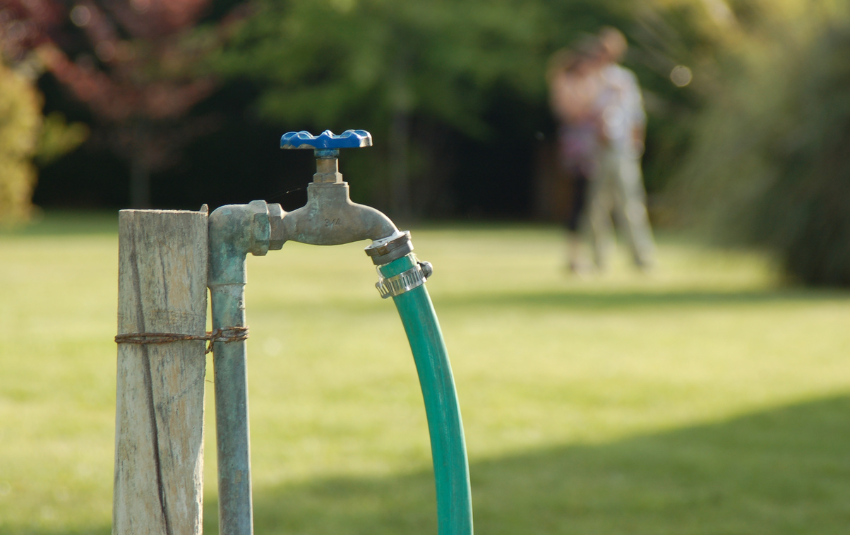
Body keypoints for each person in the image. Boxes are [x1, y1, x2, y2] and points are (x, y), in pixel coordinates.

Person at [585, 27, 656, 271]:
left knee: (631, 205)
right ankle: (598, 260)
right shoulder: (591, 78)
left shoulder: (625, 79)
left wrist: (637, 144)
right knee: (596, 207)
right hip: (599, 149)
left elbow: (636, 115)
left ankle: (641, 258)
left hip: (622, 149)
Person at [547, 43, 601, 272]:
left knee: (588, 202)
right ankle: (575, 257)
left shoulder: (588, 83)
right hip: (580, 148)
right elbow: (571, 111)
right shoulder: (567, 84)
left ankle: (585, 256)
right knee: (579, 200)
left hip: (590, 146)